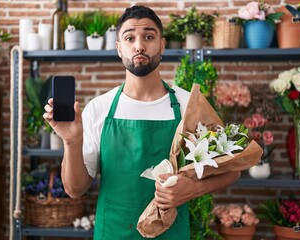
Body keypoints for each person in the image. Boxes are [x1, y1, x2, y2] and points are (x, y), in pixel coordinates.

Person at [43, 5, 240, 239]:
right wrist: (71, 142)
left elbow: (233, 169)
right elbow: (75, 190)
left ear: (162, 45)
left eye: (149, 36)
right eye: (129, 38)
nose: (139, 45)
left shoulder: (189, 104)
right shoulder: (99, 108)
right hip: (113, 233)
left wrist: (193, 190)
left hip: (171, 234)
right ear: (119, 48)